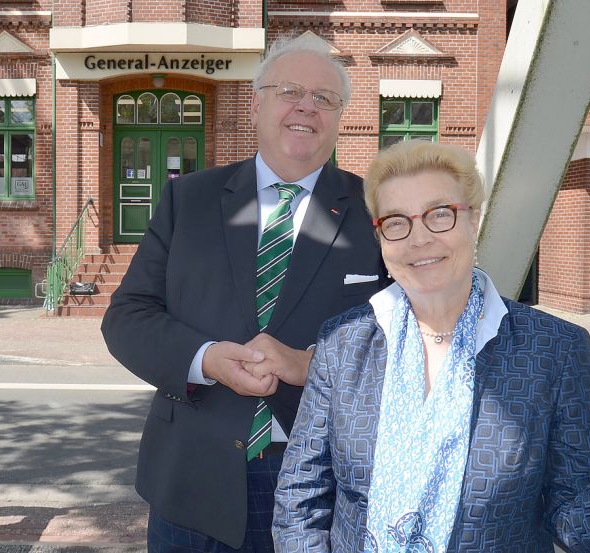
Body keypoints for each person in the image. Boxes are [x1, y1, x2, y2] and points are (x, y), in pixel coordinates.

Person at [273, 140, 590, 552]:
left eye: (440, 215)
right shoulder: (341, 344)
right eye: (396, 222)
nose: (419, 238)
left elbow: (578, 535)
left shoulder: (553, 350)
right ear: (380, 237)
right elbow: (299, 500)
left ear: (474, 220)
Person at [101, 34, 387, 552]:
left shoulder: (380, 212)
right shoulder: (188, 200)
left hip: (327, 488)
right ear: (256, 104)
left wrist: (308, 364)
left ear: (340, 116)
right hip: (192, 481)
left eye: (324, 98)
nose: (307, 106)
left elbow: (416, 337)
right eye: (290, 91)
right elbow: (127, 317)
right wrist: (205, 359)